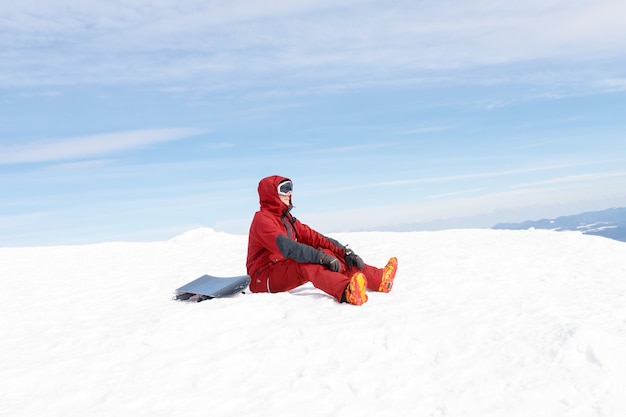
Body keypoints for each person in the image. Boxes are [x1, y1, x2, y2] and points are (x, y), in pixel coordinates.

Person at [246, 175, 398, 306]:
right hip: (263, 278)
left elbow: (315, 238)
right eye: (284, 189)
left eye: (290, 188)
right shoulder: (262, 220)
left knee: (326, 252)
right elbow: (289, 248)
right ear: (271, 194)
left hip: (281, 268)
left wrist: (344, 252)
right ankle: (347, 292)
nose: (289, 194)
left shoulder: (287, 219)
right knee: (307, 261)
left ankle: (379, 279)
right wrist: (319, 258)